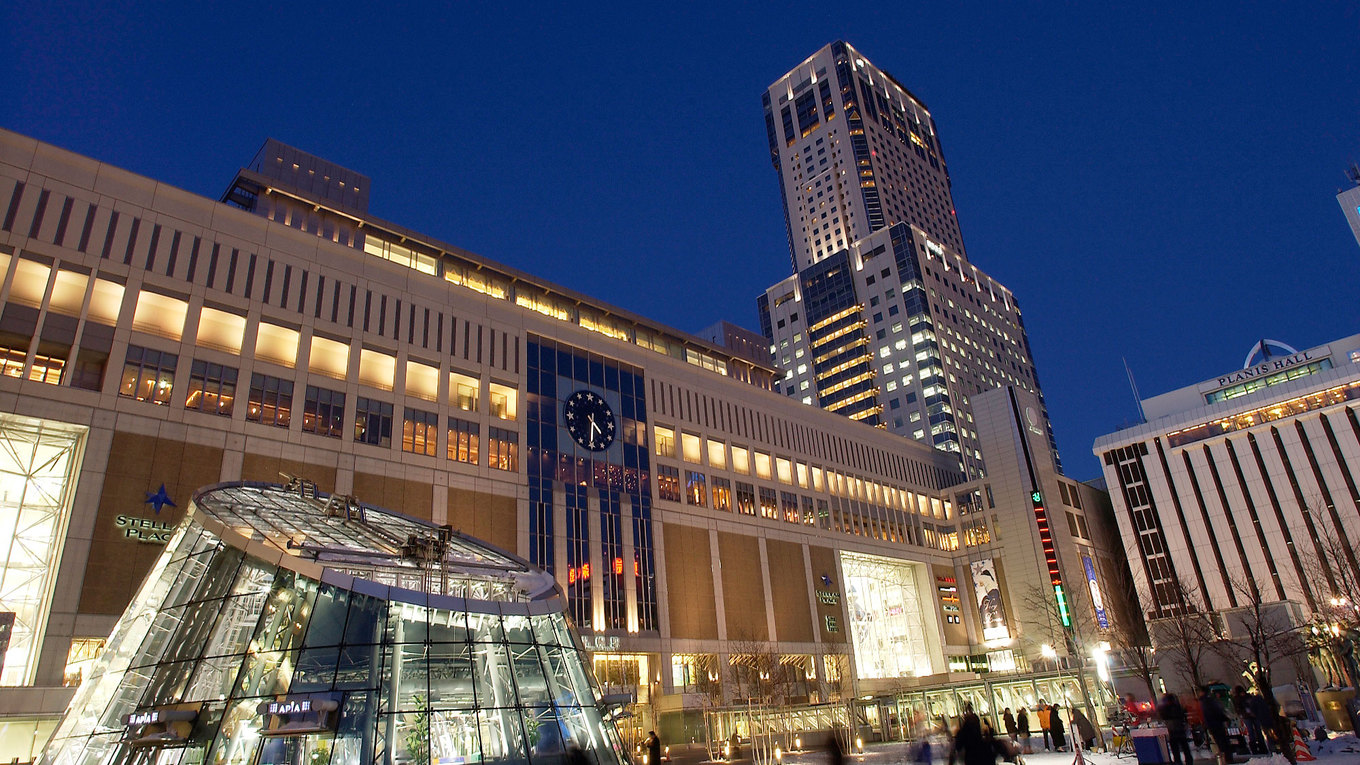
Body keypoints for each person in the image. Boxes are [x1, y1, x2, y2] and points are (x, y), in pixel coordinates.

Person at [1199, 686, 1232, 765]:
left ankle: (1225, 758)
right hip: (1217, 723)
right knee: (1223, 741)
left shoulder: (1205, 701)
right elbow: (1219, 711)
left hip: (1213, 723)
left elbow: (1208, 713)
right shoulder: (1212, 700)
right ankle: (1227, 757)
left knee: (1220, 741)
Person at [1158, 692, 1192, 765]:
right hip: (1180, 728)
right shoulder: (1178, 707)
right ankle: (1189, 761)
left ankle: (1178, 762)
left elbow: (1162, 715)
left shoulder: (1165, 708)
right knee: (1185, 747)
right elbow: (1183, 715)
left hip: (1172, 730)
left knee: (1175, 748)